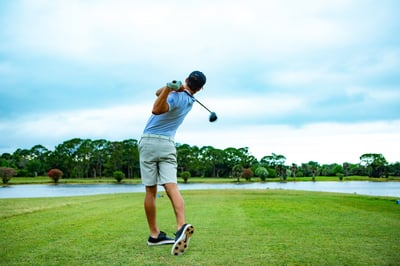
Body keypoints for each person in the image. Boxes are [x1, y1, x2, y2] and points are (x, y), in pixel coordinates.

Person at [138, 70, 206, 256]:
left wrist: (170, 87)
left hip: (149, 141)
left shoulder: (176, 97)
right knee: (171, 187)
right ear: (199, 89)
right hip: (168, 144)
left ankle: (154, 234)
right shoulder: (190, 100)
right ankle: (180, 226)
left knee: (151, 190)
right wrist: (171, 87)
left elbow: (156, 109)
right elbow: (157, 92)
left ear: (186, 80)